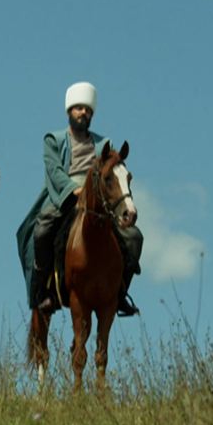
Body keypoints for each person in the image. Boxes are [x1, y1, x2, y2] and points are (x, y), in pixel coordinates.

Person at [16, 81, 143, 317]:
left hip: (99, 198)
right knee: (42, 230)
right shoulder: (53, 140)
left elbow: (115, 171)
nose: (83, 113)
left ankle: (120, 292)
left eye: (88, 110)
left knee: (134, 237)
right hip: (66, 196)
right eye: (78, 108)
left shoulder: (104, 144)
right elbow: (54, 171)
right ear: (69, 111)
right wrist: (74, 190)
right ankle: (42, 292)